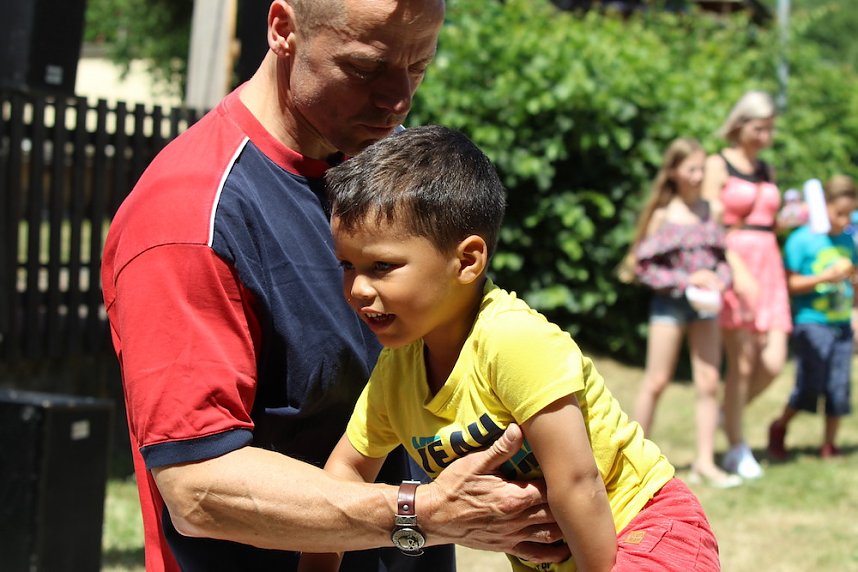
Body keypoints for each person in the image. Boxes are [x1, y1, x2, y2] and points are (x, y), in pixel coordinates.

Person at [100, 2, 566, 570]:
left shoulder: (385, 173)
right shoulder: (189, 214)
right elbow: (198, 488)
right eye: (366, 68)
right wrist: (420, 513)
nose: (398, 99)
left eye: (418, 66)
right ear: (283, 29)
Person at [300, 125, 721, 571]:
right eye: (347, 265)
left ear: (467, 261)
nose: (358, 288)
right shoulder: (396, 372)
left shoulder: (513, 341)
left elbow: (578, 482)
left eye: (382, 266)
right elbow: (344, 474)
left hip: (644, 528)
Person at [621, 138, 741, 489]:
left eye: (701, 169)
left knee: (709, 381)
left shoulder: (711, 211)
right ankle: (632, 462)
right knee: (656, 381)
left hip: (706, 307)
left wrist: (718, 280)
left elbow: (723, 260)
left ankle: (705, 462)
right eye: (691, 169)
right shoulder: (663, 216)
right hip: (669, 305)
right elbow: (643, 268)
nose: (698, 176)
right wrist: (687, 280)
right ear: (673, 171)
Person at [701, 90, 792, 480]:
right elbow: (709, 221)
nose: (765, 136)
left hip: (769, 262)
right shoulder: (717, 164)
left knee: (772, 362)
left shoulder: (766, 168)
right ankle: (737, 447)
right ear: (739, 125)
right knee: (741, 362)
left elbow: (766, 220)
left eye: (770, 129)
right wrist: (736, 270)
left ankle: (727, 415)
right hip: (734, 262)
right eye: (759, 127)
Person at [768, 175, 858, 461]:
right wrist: (824, 277)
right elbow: (790, 284)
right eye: (839, 213)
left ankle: (829, 444)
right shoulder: (801, 240)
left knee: (838, 386)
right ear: (823, 205)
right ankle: (780, 427)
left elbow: (854, 280)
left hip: (841, 324)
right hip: (811, 322)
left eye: (850, 214)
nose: (845, 221)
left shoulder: (848, 241)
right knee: (810, 385)